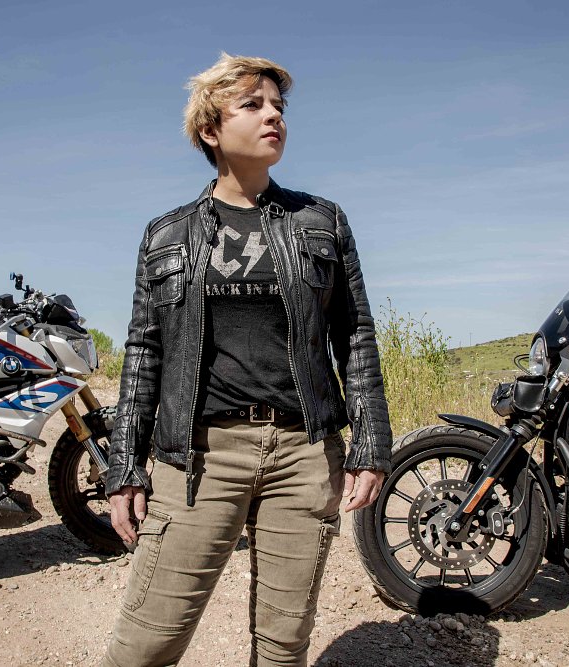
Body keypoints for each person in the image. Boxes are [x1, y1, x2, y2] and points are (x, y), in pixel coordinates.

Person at [101, 53, 392, 667]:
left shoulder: (322, 222)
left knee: (283, 648)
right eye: (252, 105)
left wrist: (370, 443)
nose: (273, 117)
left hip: (303, 454)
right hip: (199, 456)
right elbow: (144, 352)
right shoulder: (167, 235)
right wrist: (126, 463)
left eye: (279, 106)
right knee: (146, 644)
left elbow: (355, 336)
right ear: (211, 129)